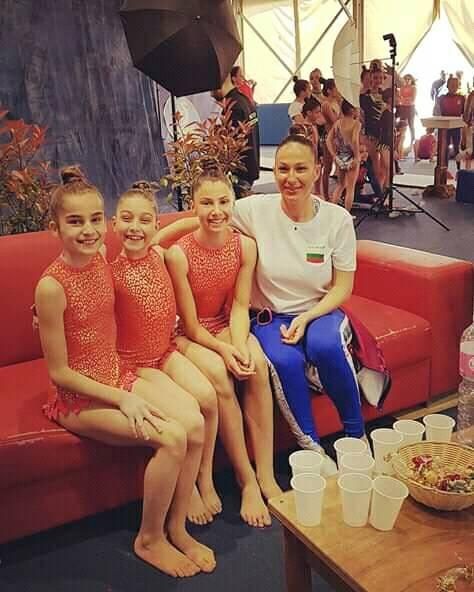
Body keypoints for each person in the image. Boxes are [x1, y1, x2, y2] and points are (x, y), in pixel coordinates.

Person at [34, 167, 214, 577]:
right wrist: (122, 398)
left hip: (117, 375)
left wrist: (197, 219)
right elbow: (60, 373)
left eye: (95, 219)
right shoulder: (50, 288)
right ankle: (149, 538)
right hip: (79, 398)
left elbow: (155, 237)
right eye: (75, 222)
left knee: (194, 423)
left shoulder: (100, 258)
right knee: (171, 438)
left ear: (106, 223)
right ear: (54, 228)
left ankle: (177, 527)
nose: (87, 230)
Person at [231, 135, 365, 473]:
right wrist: (157, 242)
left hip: (320, 309)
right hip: (270, 316)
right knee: (284, 360)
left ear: (318, 169)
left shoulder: (336, 220)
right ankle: (312, 449)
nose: (291, 178)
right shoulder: (253, 209)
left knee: (326, 345)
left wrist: (306, 318)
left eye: (301, 169)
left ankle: (356, 437)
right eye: (283, 169)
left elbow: (343, 287)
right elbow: (205, 216)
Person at [165, 162, 282, 527]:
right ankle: (247, 480)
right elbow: (190, 324)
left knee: (257, 365)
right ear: (193, 206)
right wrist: (224, 350)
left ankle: (266, 474)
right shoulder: (179, 254)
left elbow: (241, 306)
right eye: (206, 203)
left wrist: (239, 344)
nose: (215, 211)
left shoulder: (245, 247)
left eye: (223, 202)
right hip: (188, 334)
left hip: (224, 324)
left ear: (233, 202)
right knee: (220, 375)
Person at [111, 182, 221, 526]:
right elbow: (80, 291)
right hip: (136, 364)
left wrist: (206, 219)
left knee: (209, 396)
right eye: (127, 219)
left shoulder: (159, 253)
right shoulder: (109, 272)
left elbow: (186, 223)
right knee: (190, 416)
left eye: (145, 220)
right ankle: (187, 494)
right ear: (114, 224)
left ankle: (204, 476)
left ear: (155, 225)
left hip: (166, 350)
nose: (135, 227)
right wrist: (39, 309)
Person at [211, 75, 260, 199]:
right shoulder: (246, 101)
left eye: (211, 89)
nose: (211, 94)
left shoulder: (232, 107)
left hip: (240, 174)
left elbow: (232, 146)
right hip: (250, 167)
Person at [326, 99, 361, 211]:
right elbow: (354, 140)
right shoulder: (356, 124)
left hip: (340, 157)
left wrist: (334, 155)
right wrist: (357, 156)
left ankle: (333, 212)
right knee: (350, 188)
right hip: (351, 157)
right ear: (352, 110)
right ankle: (347, 215)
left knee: (340, 185)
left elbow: (328, 140)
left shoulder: (338, 123)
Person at [436, 76, 466, 170]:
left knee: (457, 147)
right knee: (444, 148)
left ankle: (459, 169)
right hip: (444, 127)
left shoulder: (461, 98)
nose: (454, 87)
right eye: (452, 85)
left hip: (456, 126)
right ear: (447, 86)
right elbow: (437, 112)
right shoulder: (442, 98)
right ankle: (444, 169)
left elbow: (464, 113)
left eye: (456, 85)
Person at [321, 78, 341, 200]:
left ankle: (339, 194)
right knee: (327, 167)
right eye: (336, 88)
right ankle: (326, 195)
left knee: (341, 166)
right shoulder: (326, 104)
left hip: (338, 137)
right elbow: (334, 121)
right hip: (329, 137)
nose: (338, 90)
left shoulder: (337, 102)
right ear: (329, 90)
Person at [397, 74, 417, 145]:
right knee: (402, 124)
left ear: (411, 80)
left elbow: (413, 99)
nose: (407, 80)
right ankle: (400, 141)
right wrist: (406, 99)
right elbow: (400, 98)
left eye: (409, 79)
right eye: (406, 79)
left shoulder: (413, 88)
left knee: (411, 125)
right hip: (403, 107)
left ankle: (412, 141)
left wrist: (404, 99)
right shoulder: (402, 88)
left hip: (410, 108)